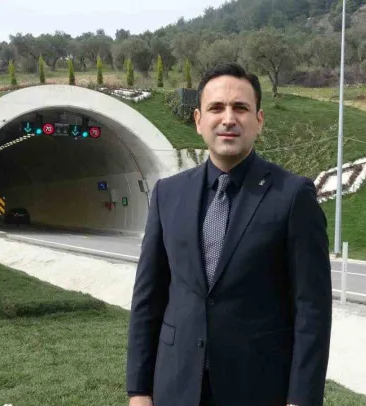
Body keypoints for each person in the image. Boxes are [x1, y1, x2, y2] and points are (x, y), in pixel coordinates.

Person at [126, 62, 332, 406]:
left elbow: (312, 307)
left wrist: (302, 399)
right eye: (216, 108)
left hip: (258, 387)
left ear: (259, 120)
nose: (228, 118)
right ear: (198, 120)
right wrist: (138, 390)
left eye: (240, 108)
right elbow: (149, 297)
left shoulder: (293, 196)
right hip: (175, 386)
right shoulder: (167, 194)